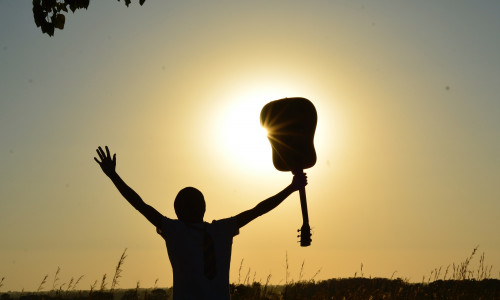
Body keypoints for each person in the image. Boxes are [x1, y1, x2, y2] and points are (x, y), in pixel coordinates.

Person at [94, 145, 307, 299]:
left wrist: (113, 176)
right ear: (202, 208)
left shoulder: (178, 231)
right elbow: (258, 210)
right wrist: (291, 187)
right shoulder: (217, 230)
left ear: (178, 211)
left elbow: (140, 205)